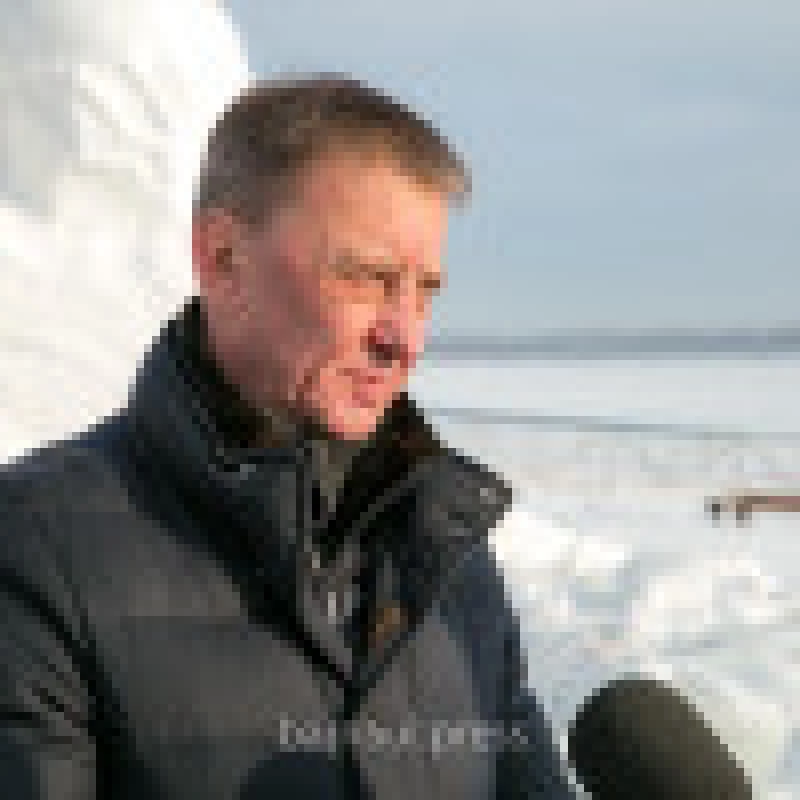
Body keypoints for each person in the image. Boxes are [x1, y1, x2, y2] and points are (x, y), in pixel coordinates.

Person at [0, 75, 577, 799]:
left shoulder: (444, 548)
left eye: (425, 289)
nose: (404, 337)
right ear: (223, 258)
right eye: (366, 277)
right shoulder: (36, 546)